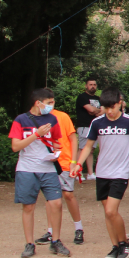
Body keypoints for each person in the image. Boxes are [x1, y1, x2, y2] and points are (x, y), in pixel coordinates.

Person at [71, 88, 129, 258]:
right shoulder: (97, 123)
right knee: (108, 212)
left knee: (111, 210)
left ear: (120, 103)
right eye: (106, 107)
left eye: (112, 107)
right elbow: (88, 146)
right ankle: (115, 245)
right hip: (102, 172)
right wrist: (77, 164)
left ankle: (125, 243)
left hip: (120, 172)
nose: (109, 111)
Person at [9, 88, 70, 258]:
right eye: (49, 103)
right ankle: (29, 244)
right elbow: (15, 147)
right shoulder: (20, 120)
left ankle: (55, 241)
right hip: (26, 169)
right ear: (38, 103)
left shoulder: (53, 119)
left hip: (48, 169)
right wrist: (36, 134)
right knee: (28, 206)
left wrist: (56, 152)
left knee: (56, 203)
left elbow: (57, 142)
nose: (52, 106)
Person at [49, 103, 83, 246]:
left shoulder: (62, 116)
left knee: (68, 194)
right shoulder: (37, 119)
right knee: (49, 198)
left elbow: (73, 138)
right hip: (47, 163)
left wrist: (74, 161)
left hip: (64, 162)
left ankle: (79, 228)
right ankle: (50, 231)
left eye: (51, 102)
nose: (49, 105)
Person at [74, 78, 102, 180]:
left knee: (91, 150)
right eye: (90, 84)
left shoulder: (99, 98)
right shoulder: (82, 97)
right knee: (82, 149)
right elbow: (90, 110)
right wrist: (94, 111)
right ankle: (78, 172)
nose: (93, 86)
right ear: (86, 86)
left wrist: (94, 111)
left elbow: (101, 112)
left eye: (94, 84)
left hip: (94, 126)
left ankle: (90, 173)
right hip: (84, 126)